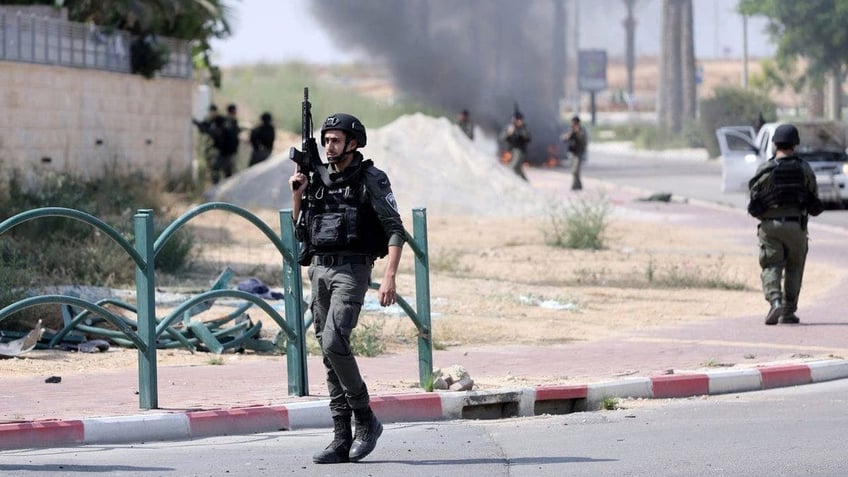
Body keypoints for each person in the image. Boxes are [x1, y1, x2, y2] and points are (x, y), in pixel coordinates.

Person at [288, 112, 405, 464]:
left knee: (335, 341)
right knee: (327, 353)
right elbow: (300, 232)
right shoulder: (317, 180)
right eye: (325, 140)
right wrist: (298, 195)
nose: (328, 146)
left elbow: (396, 229)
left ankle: (365, 418)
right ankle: (341, 436)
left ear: (353, 143)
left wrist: (390, 276)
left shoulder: (371, 178)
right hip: (320, 270)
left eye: (335, 140)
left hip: (352, 270)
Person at [747, 123, 823, 326]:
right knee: (794, 268)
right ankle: (788, 312)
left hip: (770, 226)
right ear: (795, 144)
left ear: (774, 144)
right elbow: (814, 198)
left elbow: (754, 200)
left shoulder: (765, 169)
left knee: (771, 264)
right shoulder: (804, 168)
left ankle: (775, 300)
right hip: (796, 226)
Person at [500, 110, 532, 181]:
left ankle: (513, 182)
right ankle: (525, 183)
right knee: (517, 169)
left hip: (520, 150)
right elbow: (501, 138)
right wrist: (508, 133)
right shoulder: (510, 128)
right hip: (511, 151)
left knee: (512, 167)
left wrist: (522, 134)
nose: (519, 121)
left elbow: (528, 138)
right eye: (518, 120)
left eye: (520, 120)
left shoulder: (523, 128)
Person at [561, 115, 588, 190]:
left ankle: (575, 186)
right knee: (573, 171)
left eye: (574, 123)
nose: (573, 124)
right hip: (572, 153)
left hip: (578, 153)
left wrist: (578, 133)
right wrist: (568, 135)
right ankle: (579, 186)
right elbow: (564, 138)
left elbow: (583, 141)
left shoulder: (582, 130)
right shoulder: (570, 130)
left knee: (575, 170)